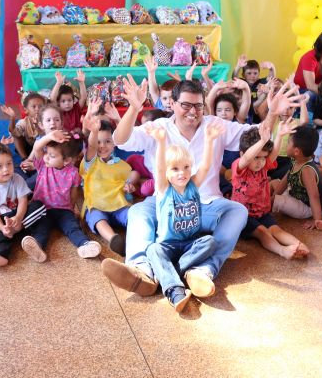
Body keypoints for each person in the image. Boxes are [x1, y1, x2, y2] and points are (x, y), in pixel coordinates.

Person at [100, 76, 302, 299]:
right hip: (165, 203)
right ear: (173, 104)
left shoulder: (215, 125)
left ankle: (203, 270)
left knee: (238, 211)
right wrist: (134, 108)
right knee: (138, 211)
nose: (192, 112)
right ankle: (142, 272)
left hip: (206, 204)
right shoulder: (159, 128)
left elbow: (257, 135)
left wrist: (272, 114)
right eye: (186, 105)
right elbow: (121, 140)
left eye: (197, 105)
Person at [143, 121, 221, 313]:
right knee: (153, 250)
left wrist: (209, 141)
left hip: (190, 244)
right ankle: (175, 290)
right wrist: (161, 142)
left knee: (210, 242)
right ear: (168, 173)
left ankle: (171, 271)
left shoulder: (193, 184)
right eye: (176, 169)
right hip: (168, 245)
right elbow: (160, 168)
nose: (182, 173)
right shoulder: (164, 189)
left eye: (186, 167)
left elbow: (205, 166)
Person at [232, 126, 309, 260]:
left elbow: (273, 154)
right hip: (243, 217)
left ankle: (299, 245)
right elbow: (247, 158)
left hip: (262, 213)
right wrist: (262, 141)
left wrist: (279, 136)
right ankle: (282, 251)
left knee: (276, 230)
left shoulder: (263, 165)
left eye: (263, 158)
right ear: (241, 154)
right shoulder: (240, 167)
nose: (260, 162)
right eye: (256, 158)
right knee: (263, 232)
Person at [30, 131, 102, 259]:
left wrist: (73, 208)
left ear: (67, 160)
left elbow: (74, 193)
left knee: (72, 228)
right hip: (43, 209)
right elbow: (37, 147)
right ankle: (38, 247)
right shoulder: (43, 165)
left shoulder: (74, 173)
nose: (46, 157)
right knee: (41, 229)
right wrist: (48, 137)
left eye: (51, 155)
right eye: (46, 152)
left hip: (64, 210)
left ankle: (84, 244)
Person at [0, 143, 47, 267]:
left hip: (20, 217)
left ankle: (37, 243)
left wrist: (18, 218)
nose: (6, 169)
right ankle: (1, 254)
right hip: (2, 220)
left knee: (40, 207)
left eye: (9, 164)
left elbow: (23, 201)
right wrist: (3, 228)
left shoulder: (17, 178)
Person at [80, 116, 134, 256]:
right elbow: (92, 147)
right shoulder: (90, 163)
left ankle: (140, 236)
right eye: (99, 142)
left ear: (115, 143)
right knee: (97, 218)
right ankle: (114, 239)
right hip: (96, 204)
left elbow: (125, 187)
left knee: (133, 215)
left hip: (118, 204)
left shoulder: (122, 165)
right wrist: (94, 131)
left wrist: (128, 188)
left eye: (107, 141)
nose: (102, 145)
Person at [272, 124, 322, 229]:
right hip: (293, 195)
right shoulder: (296, 160)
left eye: (288, 143)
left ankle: (257, 212)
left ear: (296, 151)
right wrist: (273, 195)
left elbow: (314, 197)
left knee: (275, 201)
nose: (285, 145)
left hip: (305, 208)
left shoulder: (306, 170)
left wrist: (317, 221)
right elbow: (285, 179)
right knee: (273, 183)